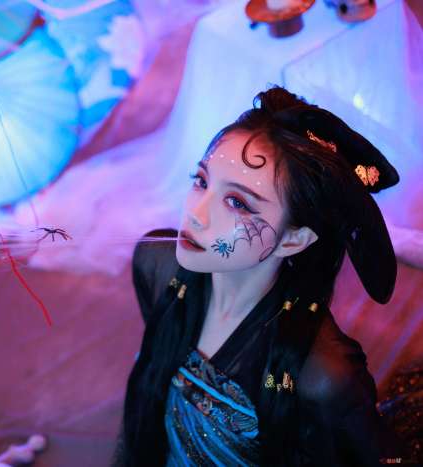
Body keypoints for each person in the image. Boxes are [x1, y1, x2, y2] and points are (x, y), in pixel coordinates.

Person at [113, 86, 411, 466]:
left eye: (237, 203)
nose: (196, 215)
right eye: (201, 180)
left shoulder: (320, 372)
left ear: (293, 238)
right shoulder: (157, 265)